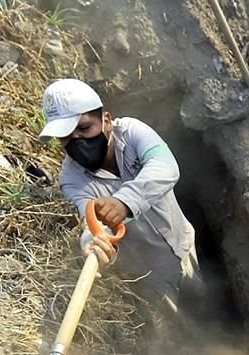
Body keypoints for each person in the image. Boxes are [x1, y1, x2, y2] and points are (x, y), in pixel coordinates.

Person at [38, 78, 202, 311]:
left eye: (84, 128)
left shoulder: (132, 132)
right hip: (150, 277)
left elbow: (165, 165)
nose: (78, 142)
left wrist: (124, 202)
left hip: (184, 243)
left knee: (202, 298)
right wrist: (95, 246)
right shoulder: (72, 179)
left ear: (106, 121)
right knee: (179, 325)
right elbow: (91, 222)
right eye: (66, 137)